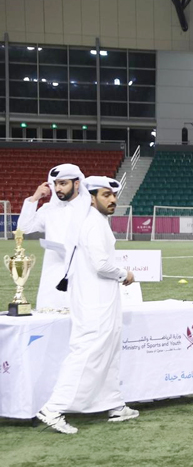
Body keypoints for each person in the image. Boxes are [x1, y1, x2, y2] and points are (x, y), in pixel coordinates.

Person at [36, 176, 138, 434]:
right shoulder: (92, 224)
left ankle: (113, 404)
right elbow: (101, 264)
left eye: (114, 195)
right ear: (92, 198)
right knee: (86, 355)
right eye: (106, 195)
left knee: (109, 351)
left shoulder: (98, 222)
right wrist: (124, 274)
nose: (112, 200)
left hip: (104, 299)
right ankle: (53, 408)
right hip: (94, 302)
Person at [16, 163, 91, 311]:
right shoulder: (48, 210)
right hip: (52, 272)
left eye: (63, 184)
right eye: (55, 184)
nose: (57, 189)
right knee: (48, 315)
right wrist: (35, 198)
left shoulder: (89, 209)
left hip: (81, 270)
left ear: (77, 184)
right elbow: (24, 228)